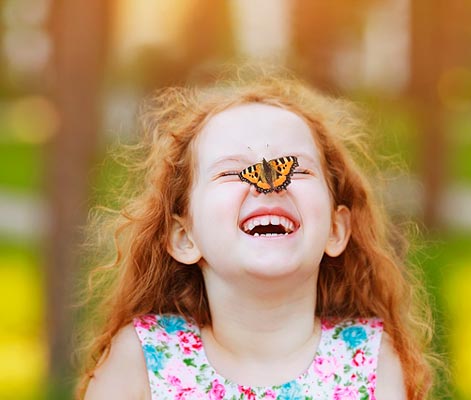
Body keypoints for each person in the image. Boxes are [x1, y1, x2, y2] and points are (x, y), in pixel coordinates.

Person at [79, 70, 435, 400]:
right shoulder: (142, 359)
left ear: (336, 229)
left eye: (293, 169)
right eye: (233, 173)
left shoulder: (369, 363)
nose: (268, 187)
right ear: (184, 237)